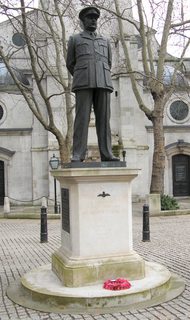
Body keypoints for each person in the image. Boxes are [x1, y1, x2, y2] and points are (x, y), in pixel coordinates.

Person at [66, 6, 119, 162]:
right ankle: (78, 154)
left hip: (103, 82)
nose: (93, 21)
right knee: (81, 119)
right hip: (83, 82)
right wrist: (82, 74)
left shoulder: (105, 40)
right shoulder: (75, 39)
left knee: (104, 120)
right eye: (90, 18)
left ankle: (107, 154)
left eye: (95, 18)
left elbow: (108, 62)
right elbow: (70, 63)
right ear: (83, 21)